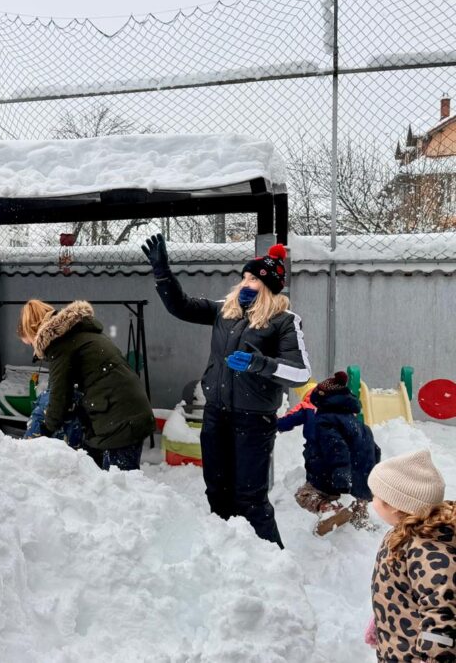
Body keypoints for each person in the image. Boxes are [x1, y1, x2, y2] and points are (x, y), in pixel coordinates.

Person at [141, 234, 310, 547]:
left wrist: (259, 363)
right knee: (217, 491)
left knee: (250, 498)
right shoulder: (226, 311)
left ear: (269, 285)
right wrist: (163, 273)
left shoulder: (284, 321)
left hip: (253, 420)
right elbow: (180, 307)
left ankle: (273, 562)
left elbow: (300, 373)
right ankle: (228, 553)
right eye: (244, 277)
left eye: (253, 278)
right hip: (217, 414)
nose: (245, 283)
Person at [17, 300, 155, 470]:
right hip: (129, 410)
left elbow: (60, 397)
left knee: (119, 482)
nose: (34, 350)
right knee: (116, 480)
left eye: (31, 343)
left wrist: (43, 431)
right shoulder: (77, 333)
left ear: (34, 332)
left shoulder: (61, 345)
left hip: (120, 419)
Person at [364, 449, 455, 661]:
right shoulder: (402, 533)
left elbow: (442, 618)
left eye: (375, 496)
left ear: (395, 506)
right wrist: (383, 619)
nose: (371, 501)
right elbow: (403, 588)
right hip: (399, 645)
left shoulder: (429, 551)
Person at [277, 371, 380, 535]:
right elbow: (375, 451)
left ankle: (329, 509)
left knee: (304, 495)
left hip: (335, 479)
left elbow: (337, 449)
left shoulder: (324, 421)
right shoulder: (359, 424)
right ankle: (363, 525)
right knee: (358, 508)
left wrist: (342, 477)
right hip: (362, 484)